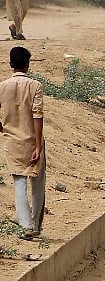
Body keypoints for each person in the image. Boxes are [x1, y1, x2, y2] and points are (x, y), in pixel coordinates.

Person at [1, 46, 42, 240]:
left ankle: (24, 222)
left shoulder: (2, 86)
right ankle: (32, 224)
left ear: (10, 64)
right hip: (32, 139)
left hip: (12, 140)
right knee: (37, 184)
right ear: (27, 65)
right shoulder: (35, 86)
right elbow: (37, 115)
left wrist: (3, 128)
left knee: (19, 183)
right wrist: (38, 145)